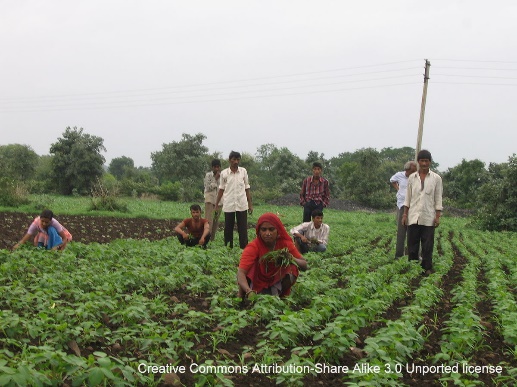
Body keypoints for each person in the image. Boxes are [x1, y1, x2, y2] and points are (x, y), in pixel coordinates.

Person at [237, 212, 308, 298]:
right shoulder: (254, 246)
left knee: (292, 268)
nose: (267, 233)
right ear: (259, 231)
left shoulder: (284, 244)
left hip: (277, 281)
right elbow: (241, 272)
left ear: (277, 230)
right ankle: (243, 295)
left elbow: (304, 265)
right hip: (257, 284)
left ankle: (279, 294)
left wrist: (291, 258)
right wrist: (248, 291)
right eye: (264, 230)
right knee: (250, 268)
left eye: (271, 229)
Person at [402, 150, 443, 276]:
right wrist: (405, 214)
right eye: (422, 161)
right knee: (412, 244)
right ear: (418, 162)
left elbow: (438, 198)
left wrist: (437, 216)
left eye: (426, 161)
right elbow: (407, 198)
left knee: (427, 245)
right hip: (413, 216)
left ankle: (426, 268)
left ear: (430, 162)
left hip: (428, 217)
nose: (424, 163)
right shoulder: (412, 178)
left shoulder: (436, 179)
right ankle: (413, 268)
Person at [214, 151, 253, 249]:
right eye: (234, 159)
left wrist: (250, 205)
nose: (236, 162)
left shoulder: (243, 171)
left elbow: (247, 188)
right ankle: (228, 248)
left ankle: (244, 249)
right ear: (229, 160)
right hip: (229, 204)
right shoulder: (224, 173)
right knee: (228, 228)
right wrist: (216, 204)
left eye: (238, 159)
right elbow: (221, 189)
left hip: (242, 204)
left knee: (243, 228)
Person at [390, 160, 418, 258]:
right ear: (407, 170)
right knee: (401, 232)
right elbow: (392, 180)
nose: (414, 173)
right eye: (412, 171)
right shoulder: (399, 175)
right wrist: (398, 189)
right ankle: (399, 255)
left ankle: (413, 255)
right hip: (402, 205)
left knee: (414, 232)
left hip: (413, 206)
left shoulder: (416, 177)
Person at [204, 159, 222, 241]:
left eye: (218, 167)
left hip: (219, 201)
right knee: (208, 220)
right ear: (212, 167)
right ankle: (206, 238)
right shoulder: (208, 175)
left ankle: (212, 239)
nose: (217, 169)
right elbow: (208, 187)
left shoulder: (223, 176)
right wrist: (215, 179)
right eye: (215, 167)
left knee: (215, 221)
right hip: (210, 200)